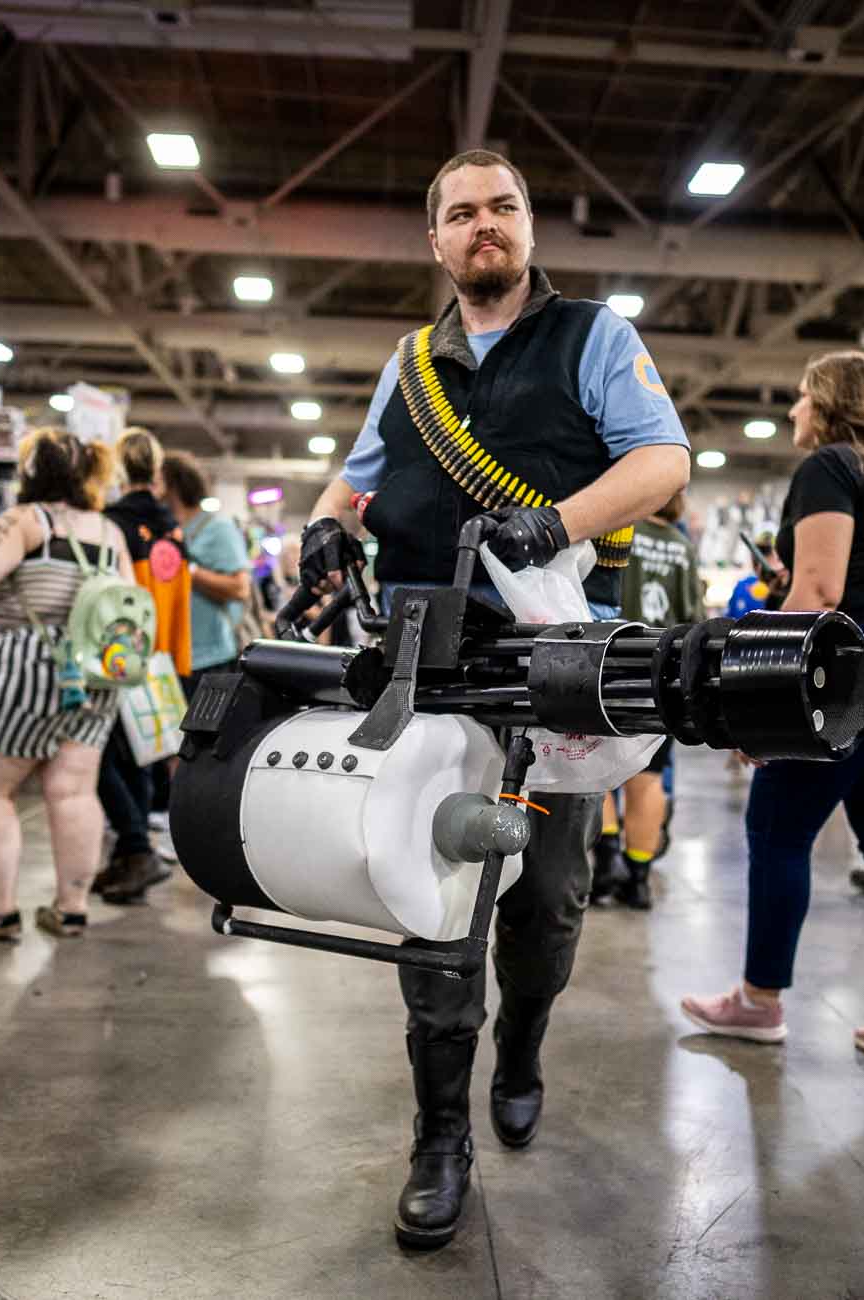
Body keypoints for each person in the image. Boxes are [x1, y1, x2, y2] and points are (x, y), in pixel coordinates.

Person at [292, 148, 690, 1251]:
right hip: (432, 673)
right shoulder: (411, 359)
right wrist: (329, 519)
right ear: (437, 240)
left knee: (547, 909)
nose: (485, 226)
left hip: (554, 678)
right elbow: (360, 472)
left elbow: (663, 461)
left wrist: (555, 522)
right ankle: (439, 1137)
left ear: (527, 227)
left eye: (502, 207)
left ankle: (522, 1044)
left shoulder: (595, 335)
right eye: (461, 213)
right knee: (436, 909)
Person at [681, 350, 864, 1072]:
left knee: (776, 830)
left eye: (803, 397)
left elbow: (821, 589)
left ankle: (758, 1002)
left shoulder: (829, 466)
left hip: (861, 666)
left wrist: (761, 704)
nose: (792, 410)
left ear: (830, 402)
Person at [0, 428, 133, 941]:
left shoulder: (27, 520)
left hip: (29, 663)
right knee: (73, 789)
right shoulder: (109, 533)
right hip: (96, 670)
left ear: (29, 472)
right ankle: (71, 907)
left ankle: (0, 911)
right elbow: (128, 597)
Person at [91, 429, 187, 905]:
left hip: (122, 652)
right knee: (142, 754)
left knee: (101, 754)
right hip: (165, 656)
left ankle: (134, 846)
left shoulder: (111, 525)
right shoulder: (172, 526)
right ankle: (129, 855)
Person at [592, 490, 701, 909]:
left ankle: (604, 863)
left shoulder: (624, 530)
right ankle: (637, 878)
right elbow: (693, 614)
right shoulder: (684, 547)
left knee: (598, 766)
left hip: (615, 663)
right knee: (650, 777)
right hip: (667, 672)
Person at [158, 451, 251, 700]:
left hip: (211, 659)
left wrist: (189, 571)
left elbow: (240, 589)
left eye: (157, 481)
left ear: (172, 485)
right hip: (172, 660)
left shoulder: (218, 528)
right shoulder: (168, 531)